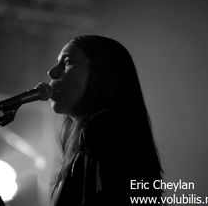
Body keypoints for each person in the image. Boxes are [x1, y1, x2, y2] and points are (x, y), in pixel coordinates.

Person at [47, 35, 163, 205]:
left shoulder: (101, 132)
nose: (52, 72)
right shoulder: (98, 134)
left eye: (68, 61)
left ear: (101, 75)